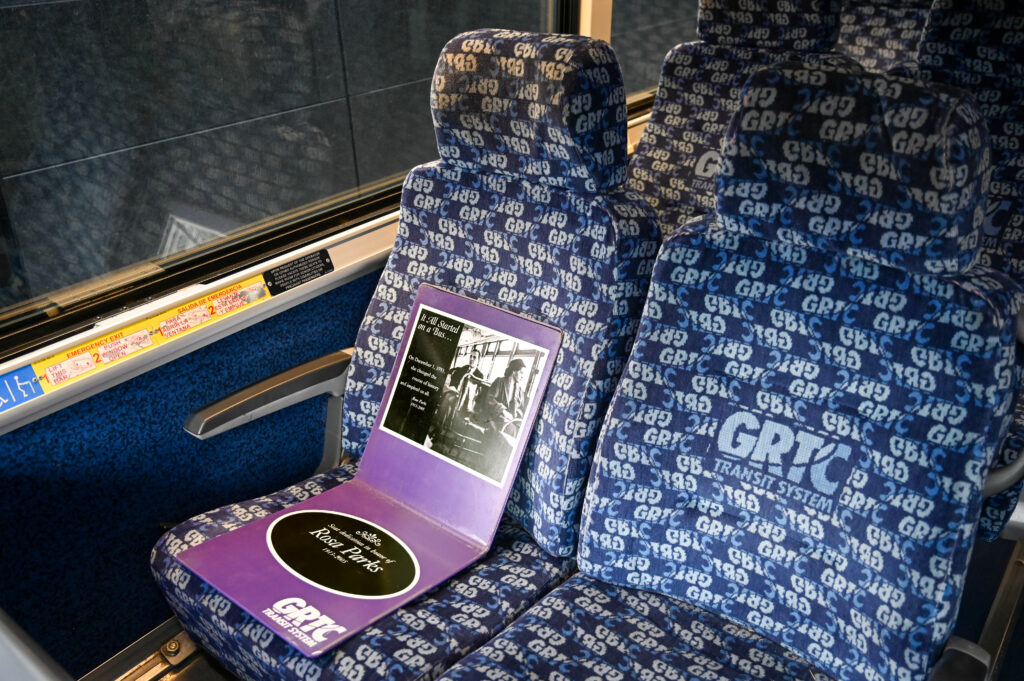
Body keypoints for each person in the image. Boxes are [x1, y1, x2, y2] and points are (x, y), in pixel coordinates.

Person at [430, 348, 484, 441]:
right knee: (448, 398)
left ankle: (438, 430)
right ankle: (439, 429)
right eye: (470, 356)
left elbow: (476, 393)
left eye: (474, 357)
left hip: (466, 400)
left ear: (479, 360)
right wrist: (454, 387)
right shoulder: (464, 368)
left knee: (447, 399)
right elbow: (454, 381)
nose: (471, 359)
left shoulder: (479, 375)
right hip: (456, 394)